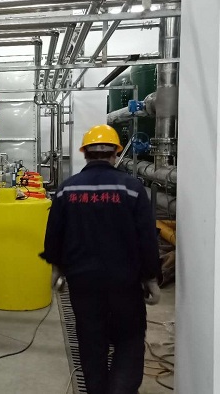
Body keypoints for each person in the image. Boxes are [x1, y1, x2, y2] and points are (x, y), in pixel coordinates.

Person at [40, 124, 160, 394]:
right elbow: (147, 239)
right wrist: (151, 278)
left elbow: (54, 236)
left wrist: (57, 269)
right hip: (125, 284)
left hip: (83, 283)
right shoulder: (133, 189)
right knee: (128, 341)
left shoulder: (67, 190)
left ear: (85, 153)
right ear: (115, 153)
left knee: (91, 342)